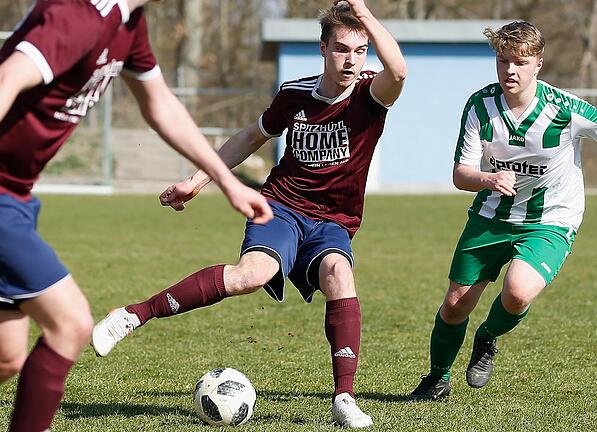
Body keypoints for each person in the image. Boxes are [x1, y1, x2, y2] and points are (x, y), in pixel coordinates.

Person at [91, 0, 406, 427]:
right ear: (322, 49)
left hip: (333, 222)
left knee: (339, 273)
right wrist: (197, 181)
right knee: (248, 276)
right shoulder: (295, 94)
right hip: (282, 207)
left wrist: (365, 13)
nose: (350, 60)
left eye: (359, 50)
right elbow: (249, 137)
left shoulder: (372, 94)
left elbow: (400, 72)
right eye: (341, 49)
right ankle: (132, 316)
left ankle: (344, 400)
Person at [0, 1, 273, 430]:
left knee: (8, 355)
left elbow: (160, 105)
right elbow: (7, 78)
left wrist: (226, 179)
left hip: (17, 197)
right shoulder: (79, 14)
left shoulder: (129, 25)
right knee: (70, 325)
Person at [407, 21, 597, 401]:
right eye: (503, 60)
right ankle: (437, 378)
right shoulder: (480, 106)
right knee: (456, 304)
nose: (510, 70)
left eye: (520, 62)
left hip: (551, 219)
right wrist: (488, 180)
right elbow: (461, 174)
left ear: (538, 63)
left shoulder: (563, 109)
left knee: (518, 292)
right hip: (491, 215)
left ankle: (487, 336)